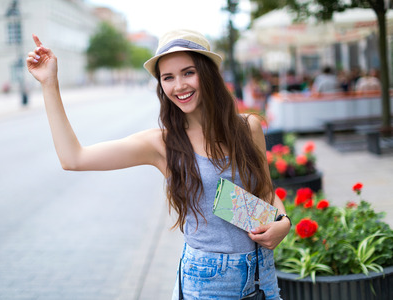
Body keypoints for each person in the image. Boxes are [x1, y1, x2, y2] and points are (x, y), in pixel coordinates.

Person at [27, 29, 290, 300]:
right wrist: (49, 84)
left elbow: (266, 192)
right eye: (168, 77)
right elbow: (74, 158)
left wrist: (283, 222)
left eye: (188, 72)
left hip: (262, 276)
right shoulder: (162, 144)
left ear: (208, 72)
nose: (179, 86)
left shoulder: (248, 128)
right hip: (208, 283)